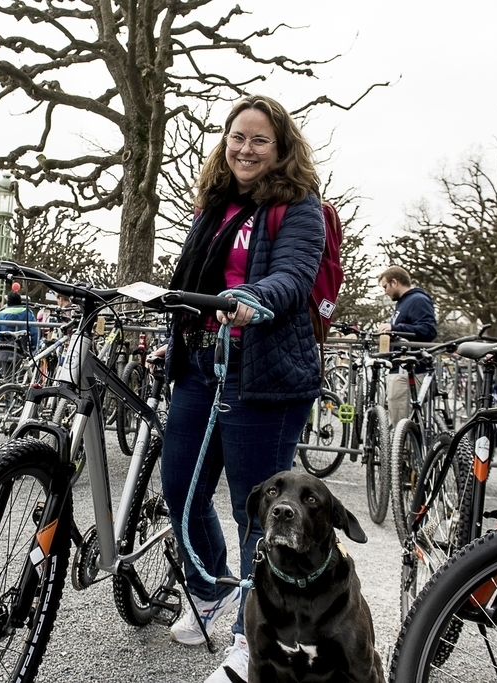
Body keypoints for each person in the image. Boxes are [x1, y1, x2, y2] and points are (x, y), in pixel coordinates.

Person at [156, 94, 325, 683]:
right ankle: (210, 592)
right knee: (179, 489)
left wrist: (254, 300)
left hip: (265, 374)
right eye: (236, 137)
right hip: (202, 365)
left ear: (280, 150)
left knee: (257, 513)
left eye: (258, 140)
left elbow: (295, 275)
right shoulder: (217, 204)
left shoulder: (298, 206)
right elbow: (191, 282)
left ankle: (249, 641)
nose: (244, 149)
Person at [377, 265, 437, 426]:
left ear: (394, 282)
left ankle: (403, 450)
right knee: (399, 419)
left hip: (411, 368)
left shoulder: (418, 300)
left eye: (385, 286)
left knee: (402, 423)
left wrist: (395, 328)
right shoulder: (404, 302)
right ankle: (403, 448)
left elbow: (429, 330)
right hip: (401, 367)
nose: (385, 291)